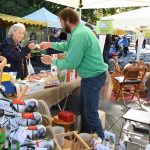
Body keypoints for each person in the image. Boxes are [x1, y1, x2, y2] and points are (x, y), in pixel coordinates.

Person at [39, 8, 108, 139]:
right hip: (91, 77)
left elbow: (71, 63)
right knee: (83, 110)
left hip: (93, 77)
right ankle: (86, 138)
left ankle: (102, 143)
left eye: (61, 22)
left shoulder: (79, 34)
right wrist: (49, 44)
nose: (61, 25)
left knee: (90, 113)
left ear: (68, 20)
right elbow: (68, 47)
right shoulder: (80, 31)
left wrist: (51, 61)